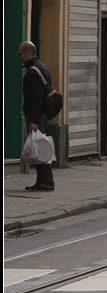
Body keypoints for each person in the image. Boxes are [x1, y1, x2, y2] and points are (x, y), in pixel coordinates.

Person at [19, 41, 55, 192]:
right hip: (42, 115)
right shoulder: (42, 67)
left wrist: (34, 121)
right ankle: (43, 180)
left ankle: (46, 181)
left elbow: (35, 99)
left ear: (28, 53)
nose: (19, 57)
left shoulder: (33, 72)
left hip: (37, 116)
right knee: (40, 147)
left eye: (20, 54)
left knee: (39, 148)